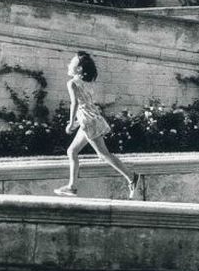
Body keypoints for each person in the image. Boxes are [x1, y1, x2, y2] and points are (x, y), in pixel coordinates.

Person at [54, 51, 140, 199]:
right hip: (90, 119)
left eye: (72, 63)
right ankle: (72, 187)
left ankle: (132, 177)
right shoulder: (87, 83)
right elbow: (85, 104)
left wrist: (70, 123)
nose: (69, 64)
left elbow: (75, 104)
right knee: (72, 151)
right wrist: (77, 122)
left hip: (88, 121)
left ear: (79, 69)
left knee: (103, 154)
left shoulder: (72, 83)